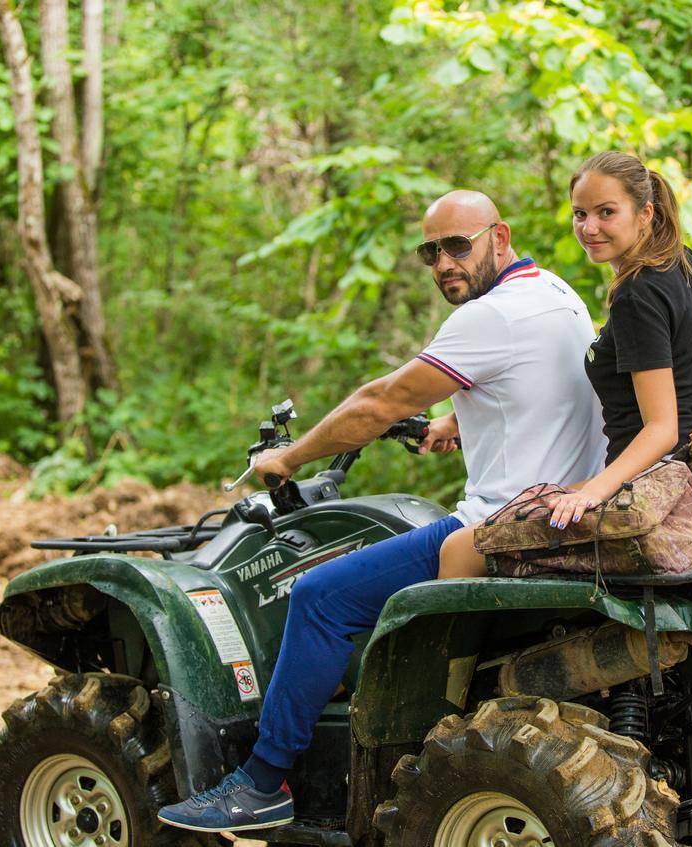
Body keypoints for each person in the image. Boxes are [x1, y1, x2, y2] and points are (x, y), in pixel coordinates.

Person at [156, 189, 606, 833]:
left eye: (458, 245)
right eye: (430, 251)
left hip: (499, 522)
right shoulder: (557, 295)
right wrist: (461, 417)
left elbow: (379, 402)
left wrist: (293, 456)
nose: (444, 262)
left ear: (498, 238)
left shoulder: (488, 319)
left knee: (319, 596)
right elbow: (549, 384)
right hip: (562, 509)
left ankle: (261, 783)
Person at [438, 152, 692, 578]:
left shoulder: (637, 295)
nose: (589, 228)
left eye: (606, 213)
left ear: (645, 213)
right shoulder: (691, 265)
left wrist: (592, 491)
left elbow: (661, 428)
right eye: (580, 214)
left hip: (656, 483)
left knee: (460, 549)